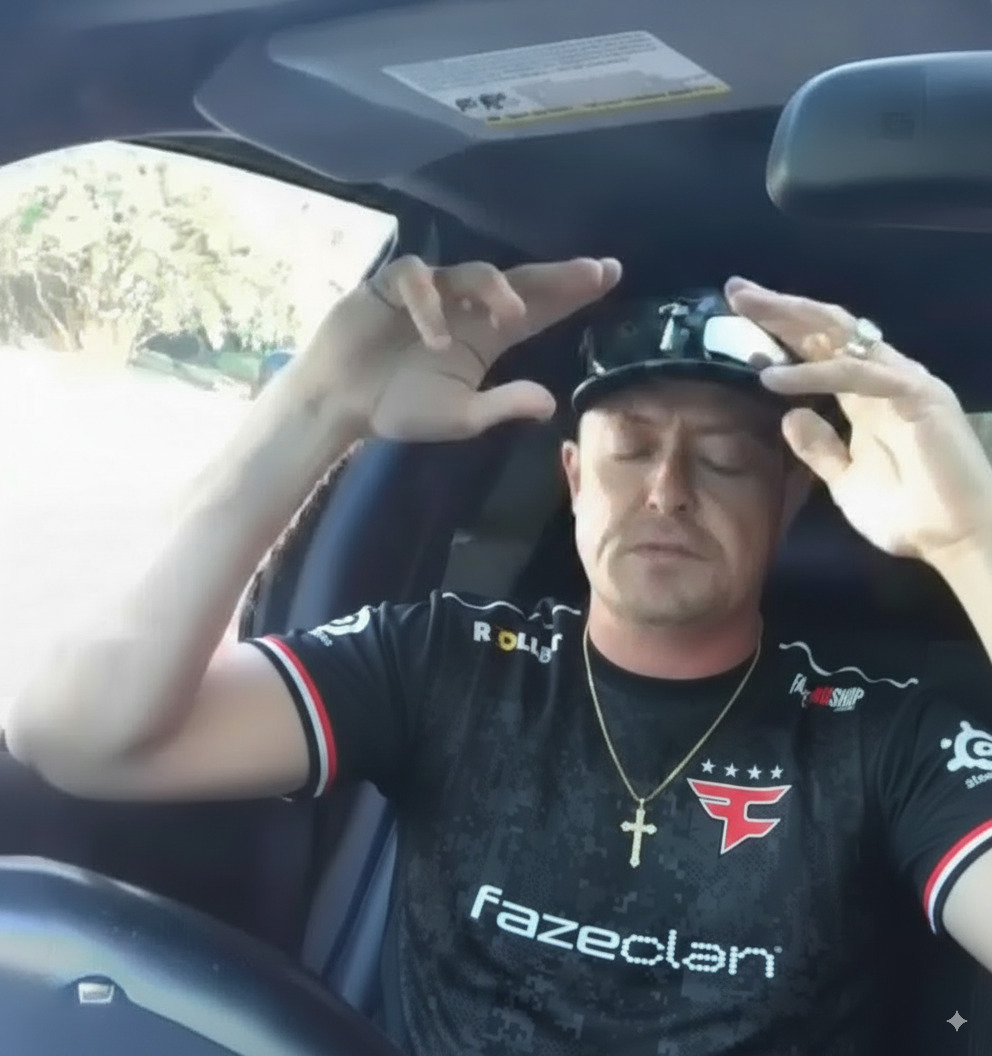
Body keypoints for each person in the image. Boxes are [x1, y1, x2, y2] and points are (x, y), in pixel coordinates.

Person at [6, 255, 992, 1056]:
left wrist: (967, 539)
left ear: (790, 499)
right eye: (629, 449)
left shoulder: (885, 737)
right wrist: (314, 408)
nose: (667, 489)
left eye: (727, 459)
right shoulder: (448, 659)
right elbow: (77, 734)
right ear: (575, 480)